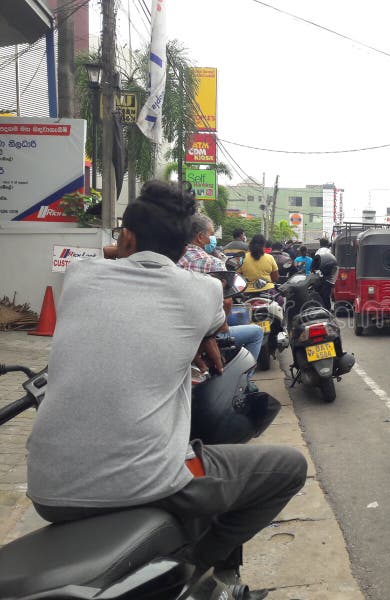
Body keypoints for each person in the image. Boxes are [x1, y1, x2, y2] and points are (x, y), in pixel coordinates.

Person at [26, 180, 307, 591]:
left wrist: (124, 247)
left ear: (127, 237)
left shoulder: (81, 276)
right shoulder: (205, 290)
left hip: (47, 492)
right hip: (148, 487)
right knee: (290, 469)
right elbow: (215, 326)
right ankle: (193, 565)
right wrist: (204, 336)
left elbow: (102, 256)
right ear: (188, 245)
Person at [179, 214, 264, 370]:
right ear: (199, 237)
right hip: (205, 333)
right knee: (257, 332)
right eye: (211, 234)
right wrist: (216, 330)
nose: (213, 239)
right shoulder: (213, 263)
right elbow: (226, 301)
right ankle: (245, 381)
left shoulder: (173, 259)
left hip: (178, 332)